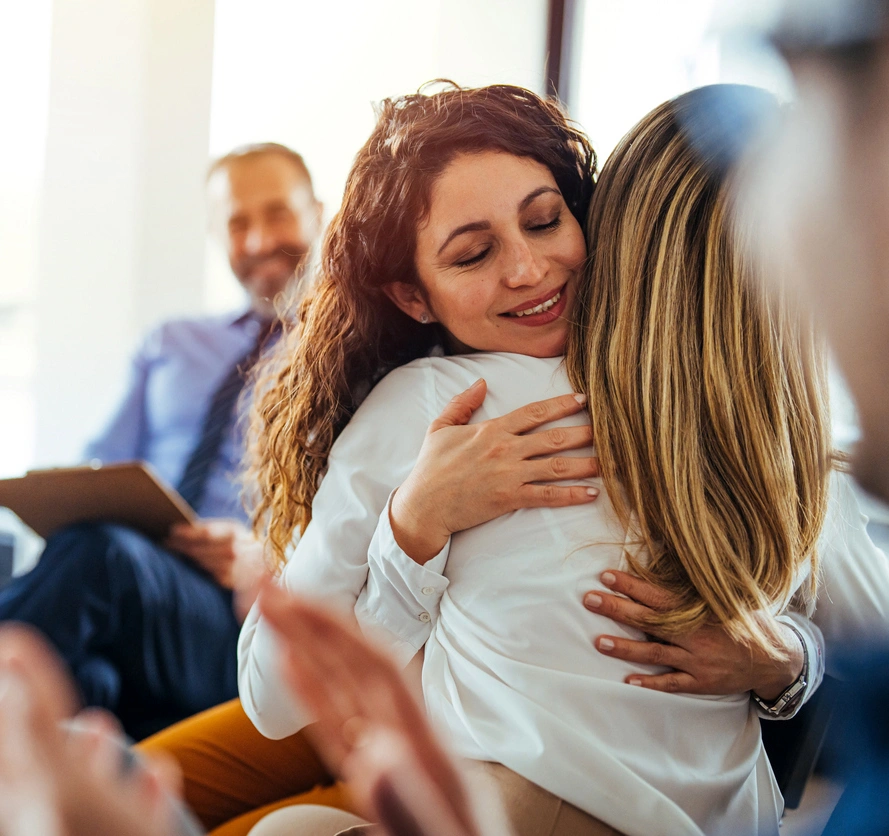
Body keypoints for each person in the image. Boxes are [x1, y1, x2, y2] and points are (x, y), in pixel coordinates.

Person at [239, 83, 889, 836]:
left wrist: (409, 530)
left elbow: (270, 697)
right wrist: (789, 661)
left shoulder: (437, 405)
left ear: (598, 220)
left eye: (546, 221)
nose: (527, 271)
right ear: (412, 297)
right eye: (474, 254)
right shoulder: (772, 439)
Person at [0, 142, 323, 739]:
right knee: (90, 678)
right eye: (237, 223)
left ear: (318, 213)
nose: (256, 242)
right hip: (138, 580)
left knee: (101, 558)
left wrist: (265, 557)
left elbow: (359, 523)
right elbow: (97, 467)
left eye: (277, 214)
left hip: (237, 617)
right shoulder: (173, 343)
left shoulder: (348, 356)